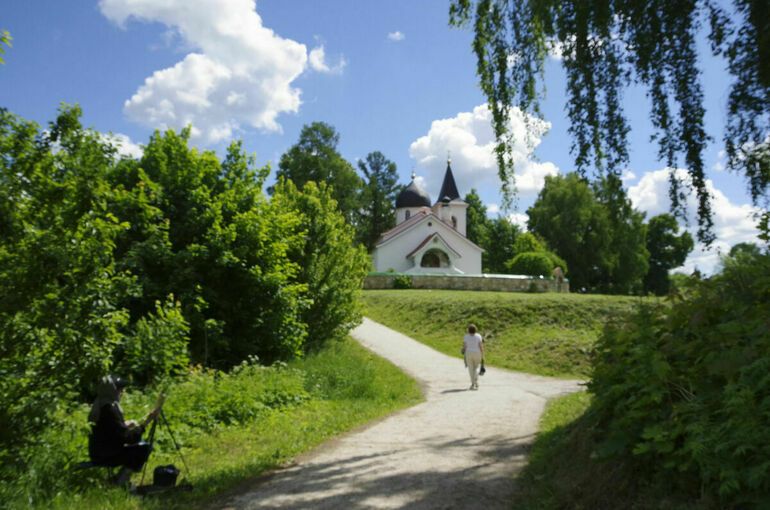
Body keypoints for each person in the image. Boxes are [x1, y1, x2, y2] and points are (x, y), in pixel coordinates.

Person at [88, 375, 160, 486]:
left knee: (137, 447)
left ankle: (117, 480)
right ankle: (119, 483)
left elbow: (109, 429)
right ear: (111, 390)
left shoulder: (100, 404)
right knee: (144, 448)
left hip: (99, 450)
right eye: (120, 389)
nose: (122, 391)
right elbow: (128, 438)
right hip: (106, 454)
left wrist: (125, 424)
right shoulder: (109, 409)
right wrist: (146, 423)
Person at [461, 324, 484, 390]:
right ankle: (476, 382)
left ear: (468, 330)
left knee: (470, 369)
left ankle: (473, 383)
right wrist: (483, 354)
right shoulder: (478, 336)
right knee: (477, 367)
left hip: (468, 353)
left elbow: (465, 346)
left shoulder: (466, 336)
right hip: (477, 353)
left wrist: (463, 350)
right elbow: (481, 346)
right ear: (475, 330)